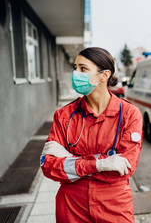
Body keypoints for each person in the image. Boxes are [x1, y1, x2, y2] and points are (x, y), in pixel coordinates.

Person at [40, 47, 143, 223]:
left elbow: (124, 169)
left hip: (114, 205)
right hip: (72, 205)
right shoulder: (64, 115)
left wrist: (69, 160)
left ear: (104, 75)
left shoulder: (129, 114)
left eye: (83, 69)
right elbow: (49, 167)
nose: (75, 73)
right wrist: (101, 164)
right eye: (75, 67)